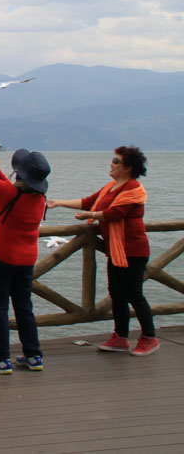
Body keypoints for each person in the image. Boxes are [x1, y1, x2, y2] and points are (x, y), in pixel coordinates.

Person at [47, 146, 157, 356]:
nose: (112, 163)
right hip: (116, 250)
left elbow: (115, 214)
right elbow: (89, 202)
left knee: (134, 294)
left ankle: (149, 338)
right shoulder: (111, 187)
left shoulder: (134, 189)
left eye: (116, 161)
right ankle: (121, 337)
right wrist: (59, 203)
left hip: (133, 249)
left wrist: (90, 215)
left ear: (128, 167)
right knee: (116, 293)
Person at [0, 143, 49, 375]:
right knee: (24, 307)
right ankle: (33, 355)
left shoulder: (9, 194)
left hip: (2, 259)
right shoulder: (40, 200)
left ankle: (2, 359)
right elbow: (11, 192)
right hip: (27, 261)